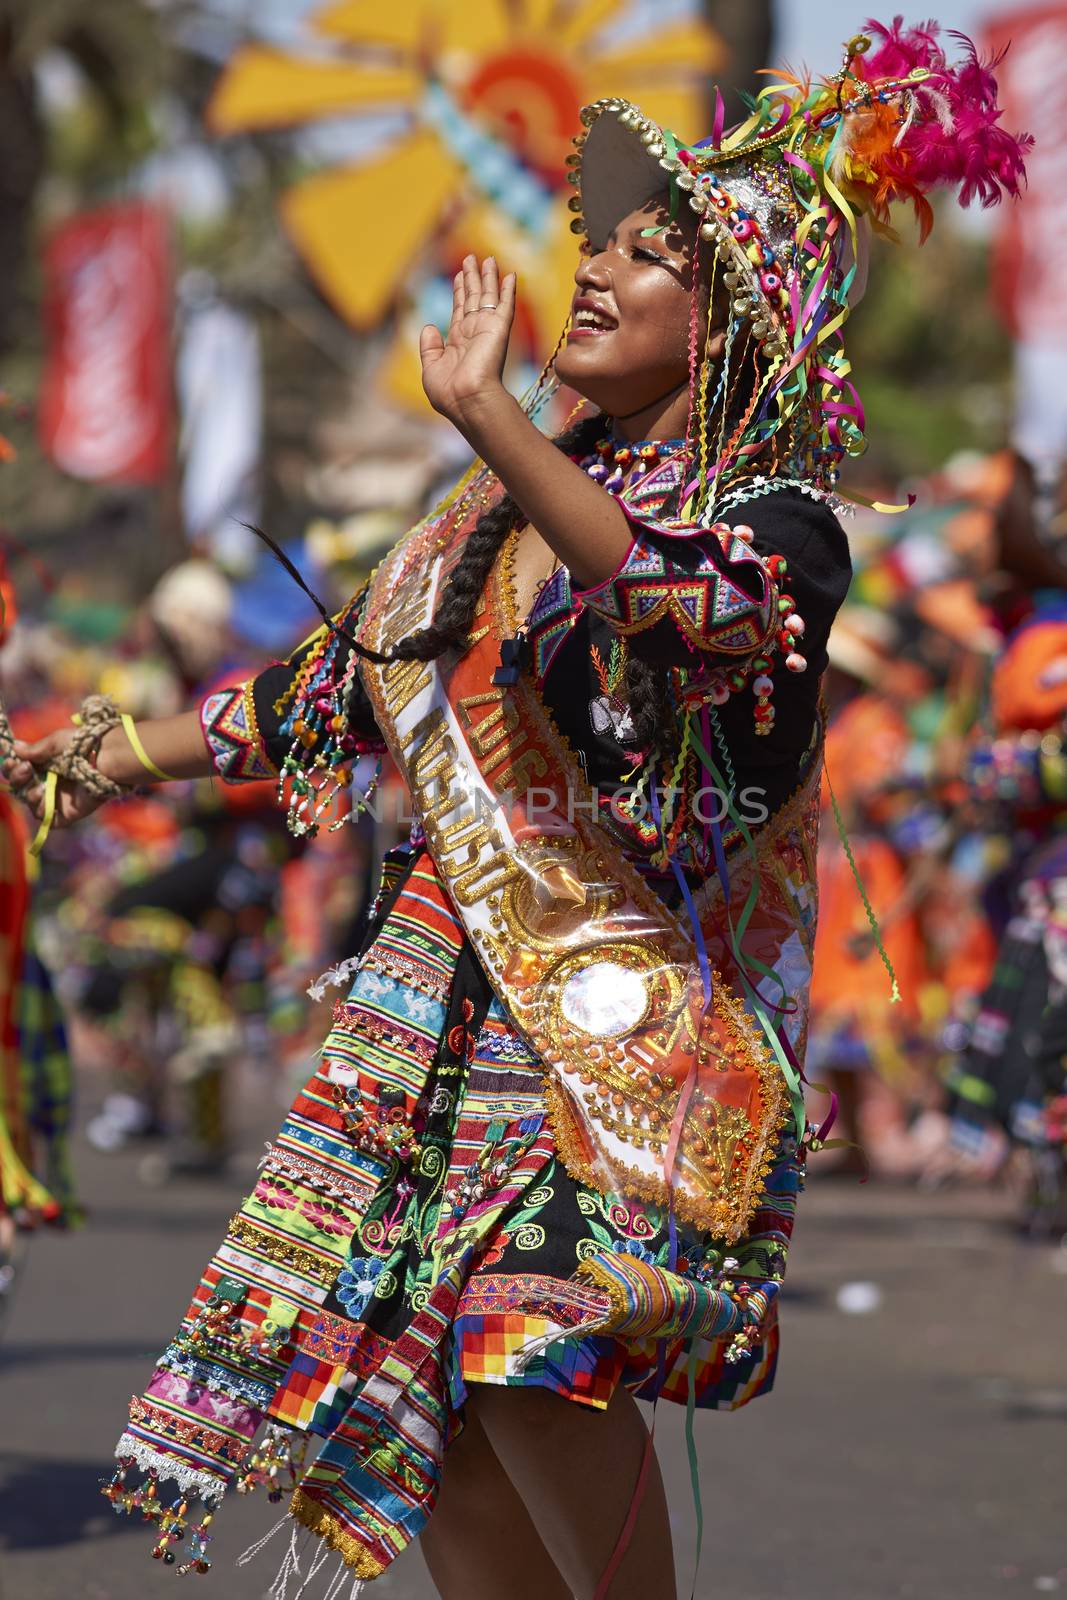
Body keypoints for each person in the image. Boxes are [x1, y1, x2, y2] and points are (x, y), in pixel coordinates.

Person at [3, 21, 1028, 1599]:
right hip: (446, 1026)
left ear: (737, 321)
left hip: (625, 1039)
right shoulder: (482, 526)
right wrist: (72, 757)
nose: (595, 272)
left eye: (649, 256)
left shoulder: (776, 529)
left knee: (526, 1341)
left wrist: (493, 420)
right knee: (436, 1420)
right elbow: (316, 696)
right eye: (594, 245)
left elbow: (676, 604)